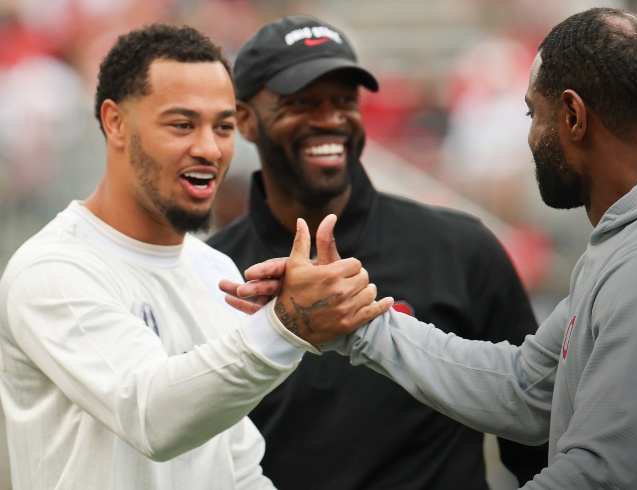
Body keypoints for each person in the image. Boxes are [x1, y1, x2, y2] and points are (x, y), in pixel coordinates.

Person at [228, 7, 637, 489]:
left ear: (573, 116)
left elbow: (600, 476)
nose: (530, 136)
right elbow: (527, 388)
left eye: (533, 114)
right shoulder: (635, 243)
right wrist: (355, 325)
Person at [0, 23, 390, 489]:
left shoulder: (215, 269)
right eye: (182, 124)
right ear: (115, 122)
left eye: (223, 126)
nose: (209, 148)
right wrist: (285, 326)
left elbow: (238, 468)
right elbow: (150, 415)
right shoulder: (52, 270)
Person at [206, 14, 548, 489]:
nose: (330, 118)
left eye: (344, 100)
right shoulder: (210, 273)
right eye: (301, 102)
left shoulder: (459, 249)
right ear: (244, 119)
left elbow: (538, 440)